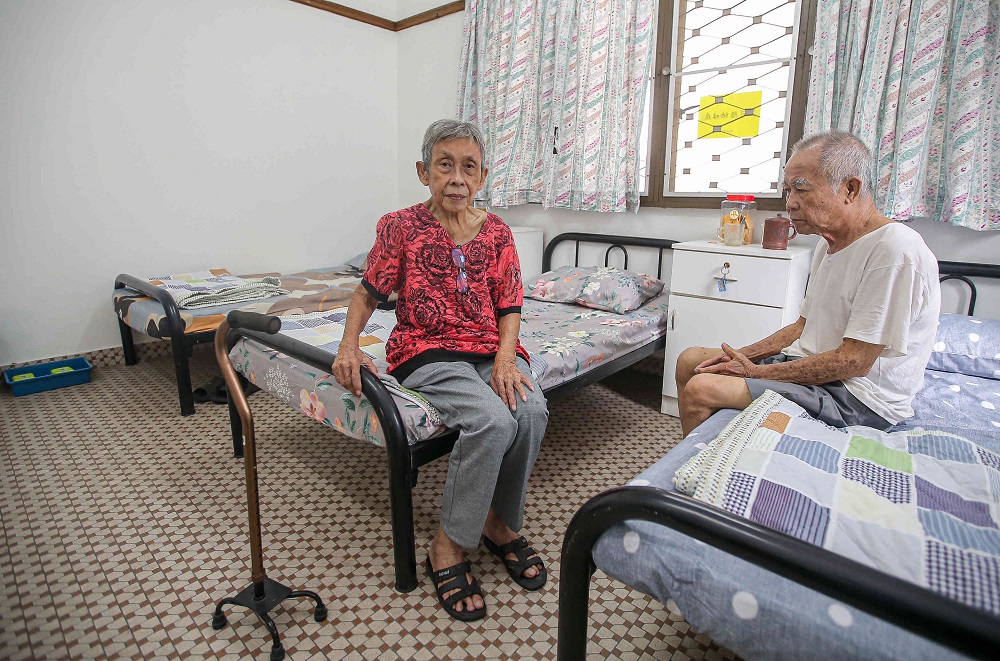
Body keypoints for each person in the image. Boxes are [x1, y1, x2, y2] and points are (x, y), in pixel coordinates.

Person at [332, 119, 549, 622]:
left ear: (484, 175)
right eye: (444, 165)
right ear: (423, 172)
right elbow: (369, 290)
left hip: (488, 348)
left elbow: (510, 301)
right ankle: (448, 546)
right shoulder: (399, 225)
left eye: (467, 167)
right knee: (493, 422)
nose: (456, 177)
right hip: (426, 350)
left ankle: (499, 523)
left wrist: (503, 357)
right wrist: (347, 345)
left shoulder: (495, 231)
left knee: (532, 410)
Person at [675, 130, 941, 437]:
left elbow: (855, 361)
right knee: (691, 361)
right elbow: (802, 326)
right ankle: (702, 449)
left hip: (859, 396)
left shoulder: (895, 250)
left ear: (850, 189)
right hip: (813, 365)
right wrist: (740, 356)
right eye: (788, 191)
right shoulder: (828, 243)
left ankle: (699, 468)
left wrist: (757, 372)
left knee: (703, 388)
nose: (791, 204)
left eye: (801, 189)